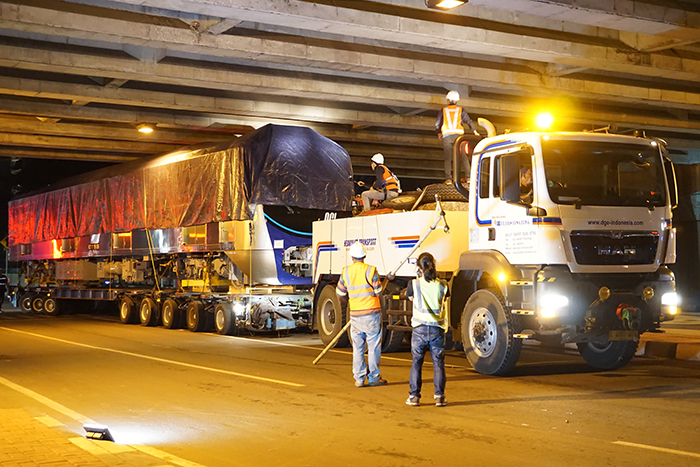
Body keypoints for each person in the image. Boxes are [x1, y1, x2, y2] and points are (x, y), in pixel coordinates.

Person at [336, 241, 387, 388]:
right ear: (364, 255)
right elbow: (378, 291)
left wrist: (348, 305)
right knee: (373, 347)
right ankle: (374, 377)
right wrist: (386, 281)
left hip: (355, 316)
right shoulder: (371, 270)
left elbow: (339, 294)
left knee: (357, 348)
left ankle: (359, 379)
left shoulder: (345, 271)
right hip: (372, 314)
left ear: (352, 256)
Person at [405, 252, 449, 407]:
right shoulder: (443, 284)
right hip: (437, 330)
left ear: (419, 267)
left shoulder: (414, 284)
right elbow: (445, 298)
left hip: (419, 330)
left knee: (417, 362)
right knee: (438, 363)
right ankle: (440, 397)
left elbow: (410, 297)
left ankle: (414, 397)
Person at [436, 90, 479, 182]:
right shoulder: (460, 110)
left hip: (447, 136)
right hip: (459, 137)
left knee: (448, 158)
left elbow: (438, 123)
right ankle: (468, 177)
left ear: (448, 100)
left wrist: (439, 133)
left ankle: (448, 179)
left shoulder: (443, 110)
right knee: (463, 156)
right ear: (457, 101)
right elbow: (469, 121)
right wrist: (474, 131)